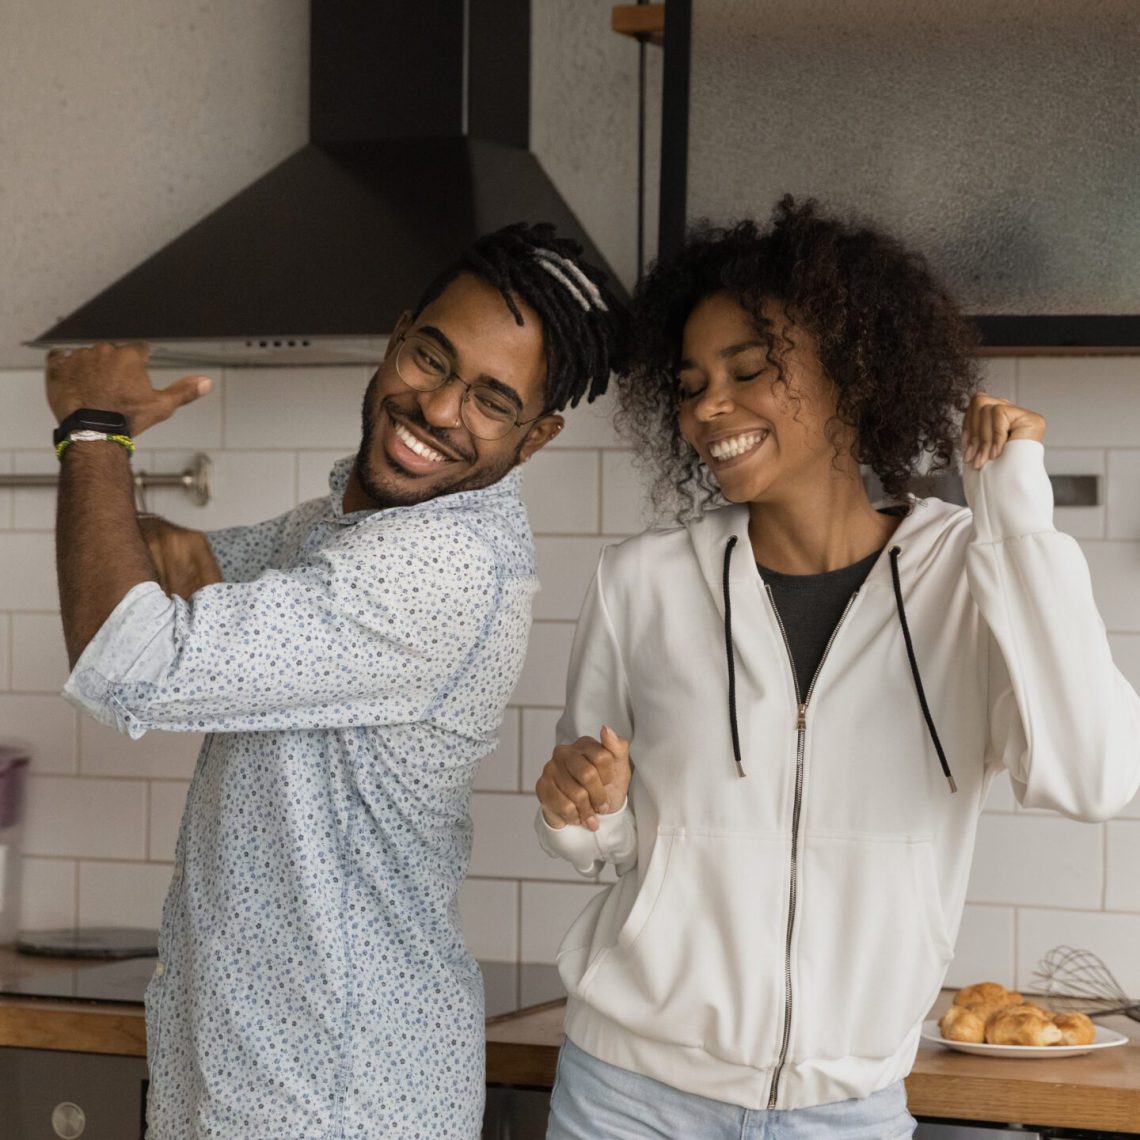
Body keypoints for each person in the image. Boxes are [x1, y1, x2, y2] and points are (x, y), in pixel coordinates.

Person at [533, 197, 1140, 1139]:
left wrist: (1015, 515)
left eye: (747, 371)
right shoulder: (640, 583)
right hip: (628, 1095)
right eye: (690, 383)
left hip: (844, 1111)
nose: (707, 408)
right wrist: (586, 806)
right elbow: (608, 850)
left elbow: (1097, 775)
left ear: (852, 375)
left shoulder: (967, 580)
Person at [46, 223, 627, 1139]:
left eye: (491, 399)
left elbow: (126, 657)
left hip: (337, 1096)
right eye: (431, 356)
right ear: (397, 336)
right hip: (244, 1076)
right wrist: (144, 534)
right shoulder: (338, 530)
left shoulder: (442, 568)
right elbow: (140, 587)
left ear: (537, 436)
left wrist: (93, 433)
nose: (439, 408)